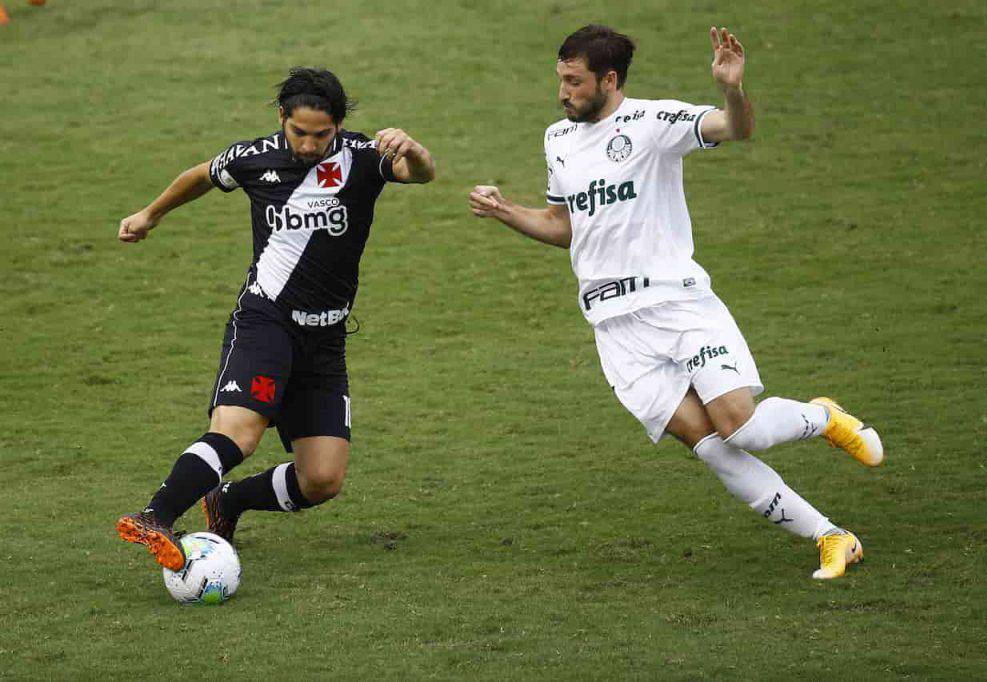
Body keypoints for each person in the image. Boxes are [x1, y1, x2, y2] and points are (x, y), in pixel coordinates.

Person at [469, 25, 882, 579]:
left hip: (677, 306)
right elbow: (564, 225)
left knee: (741, 427)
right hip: (614, 328)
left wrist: (732, 89)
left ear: (609, 80)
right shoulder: (558, 140)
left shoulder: (652, 123)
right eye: (560, 80)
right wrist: (504, 212)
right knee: (710, 445)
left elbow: (735, 128)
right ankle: (830, 536)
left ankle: (821, 416)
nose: (562, 92)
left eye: (574, 81)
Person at [116, 67, 435, 571]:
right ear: (282, 118)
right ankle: (154, 516)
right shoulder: (252, 157)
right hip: (266, 320)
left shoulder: (365, 158)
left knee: (323, 480)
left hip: (326, 338)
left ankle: (229, 501)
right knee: (239, 433)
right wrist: (150, 214)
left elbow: (420, 174)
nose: (309, 145)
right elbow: (201, 175)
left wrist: (412, 148)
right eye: (299, 132)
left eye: (321, 134)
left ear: (338, 125)